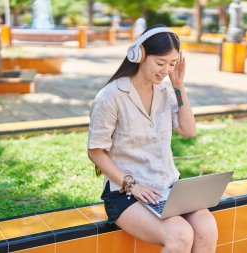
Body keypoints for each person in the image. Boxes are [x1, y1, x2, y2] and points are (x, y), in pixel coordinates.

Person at [87, 24, 218, 253]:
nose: (166, 70)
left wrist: (178, 85)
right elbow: (95, 151)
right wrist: (132, 185)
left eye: (172, 64)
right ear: (139, 54)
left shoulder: (166, 92)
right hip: (125, 193)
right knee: (180, 234)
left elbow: (188, 131)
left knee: (207, 227)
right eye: (160, 63)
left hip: (167, 188)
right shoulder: (110, 97)